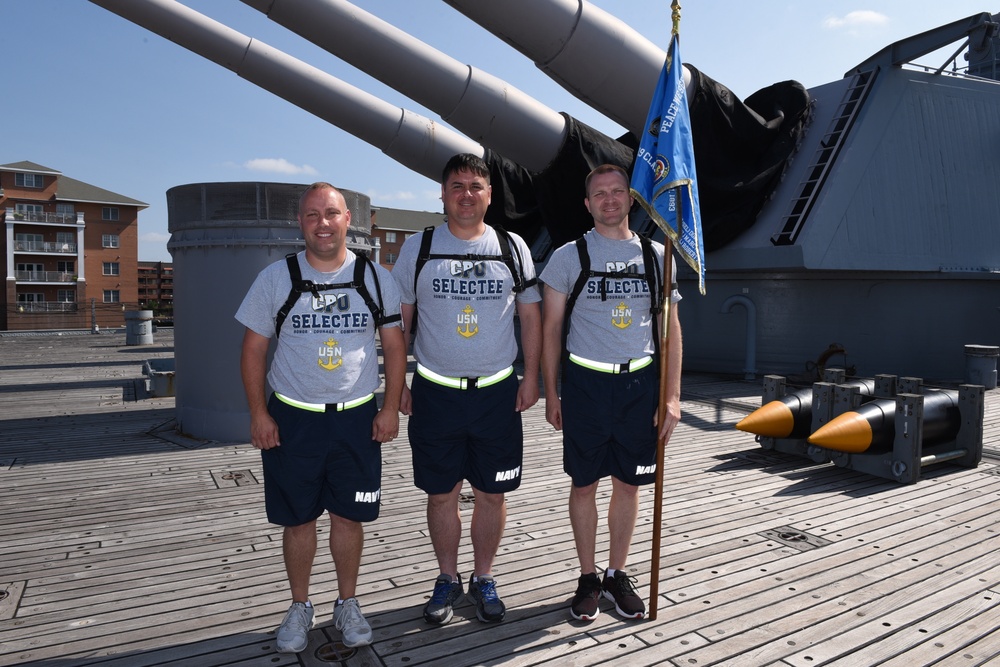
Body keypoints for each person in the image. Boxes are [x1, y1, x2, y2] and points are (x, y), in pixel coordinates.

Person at [236, 183, 406, 653]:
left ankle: (347, 602)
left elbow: (394, 347)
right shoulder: (275, 278)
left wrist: (390, 406)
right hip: (294, 419)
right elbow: (252, 350)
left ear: (348, 219)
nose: (323, 223)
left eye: (331, 214)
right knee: (299, 520)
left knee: (350, 517)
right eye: (312, 215)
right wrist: (259, 413)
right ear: (301, 222)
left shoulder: (377, 279)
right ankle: (299, 606)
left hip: (355, 419)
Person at [392, 153, 542, 625]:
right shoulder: (418, 247)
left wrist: (532, 375)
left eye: (476, 186)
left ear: (489, 195)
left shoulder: (512, 246)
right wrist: (396, 386)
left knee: (492, 494)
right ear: (442, 193)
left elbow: (531, 315)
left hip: (496, 392)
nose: (466, 194)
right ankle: (446, 577)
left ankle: (484, 577)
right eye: (456, 185)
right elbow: (400, 320)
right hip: (435, 391)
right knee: (441, 494)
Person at [539, 164, 682, 622]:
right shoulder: (567, 257)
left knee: (629, 483)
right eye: (599, 193)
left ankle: (617, 573)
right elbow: (552, 328)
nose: (609, 199)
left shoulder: (657, 255)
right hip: (586, 384)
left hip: (639, 385)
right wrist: (552, 391)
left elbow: (670, 330)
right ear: (587, 203)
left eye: (617, 191)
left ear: (630, 198)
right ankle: (587, 577)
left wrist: (672, 396)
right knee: (584, 484)